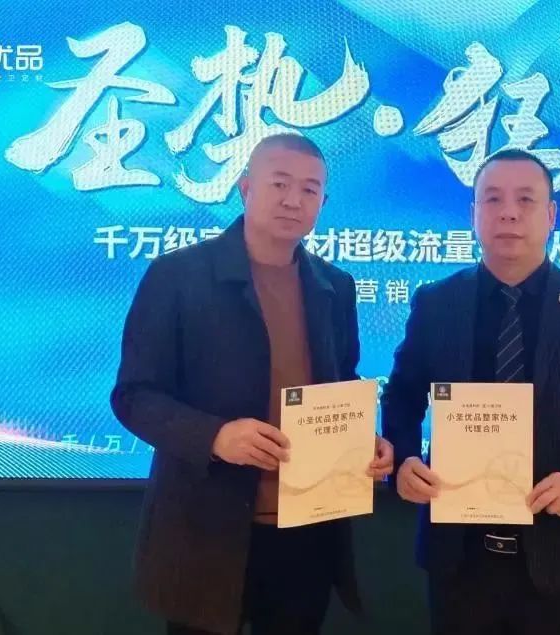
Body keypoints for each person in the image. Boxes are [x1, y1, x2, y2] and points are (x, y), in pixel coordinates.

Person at [111, 133, 394, 635]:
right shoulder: (177, 276)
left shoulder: (335, 286)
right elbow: (134, 395)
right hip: (207, 529)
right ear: (245, 188)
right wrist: (215, 437)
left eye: (309, 189)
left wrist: (360, 441)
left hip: (308, 526)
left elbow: (340, 380)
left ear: (323, 202)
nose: (293, 200)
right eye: (279, 183)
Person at [381, 149, 560, 635]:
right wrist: (403, 460)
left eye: (525, 199)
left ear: (551, 215)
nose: (508, 212)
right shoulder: (437, 302)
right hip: (458, 559)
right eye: (493, 199)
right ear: (474, 214)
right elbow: (402, 396)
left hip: (559, 557)